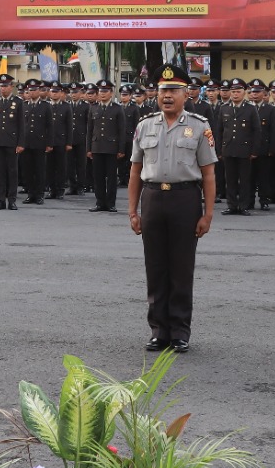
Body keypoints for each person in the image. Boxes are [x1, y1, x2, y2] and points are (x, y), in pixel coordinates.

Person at [128, 66, 216, 353]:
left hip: (185, 200)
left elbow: (209, 174)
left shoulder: (200, 126)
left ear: (186, 94)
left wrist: (207, 214)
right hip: (153, 198)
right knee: (155, 267)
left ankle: (179, 331)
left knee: (181, 267)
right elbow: (135, 171)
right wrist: (133, 210)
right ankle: (158, 330)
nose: (167, 96)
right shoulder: (145, 126)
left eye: (174, 90)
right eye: (163, 90)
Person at [217, 79, 260, 215]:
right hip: (228, 149)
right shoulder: (224, 108)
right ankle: (231, 205)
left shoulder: (250, 109)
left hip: (244, 150)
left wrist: (254, 150)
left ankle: (243, 205)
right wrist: (219, 150)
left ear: (244, 93)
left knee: (245, 179)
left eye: (238, 92)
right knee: (230, 179)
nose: (235, 94)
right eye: (233, 91)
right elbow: (219, 131)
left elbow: (256, 131)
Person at [0, 73, 25, 209]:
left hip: (12, 142)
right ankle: (1, 199)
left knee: (12, 171)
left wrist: (21, 143)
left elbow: (21, 125)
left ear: (12, 87)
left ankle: (12, 200)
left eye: (6, 86)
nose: (3, 89)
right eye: (1, 86)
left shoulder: (18, 102)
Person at [86, 80, 124, 212]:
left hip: (112, 148)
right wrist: (89, 149)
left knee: (112, 178)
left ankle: (111, 203)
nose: (102, 94)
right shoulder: (94, 108)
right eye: (101, 91)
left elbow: (121, 130)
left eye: (105, 91)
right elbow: (89, 130)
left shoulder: (117, 108)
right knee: (98, 177)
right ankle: (99, 202)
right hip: (97, 147)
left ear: (111, 93)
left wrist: (121, 149)